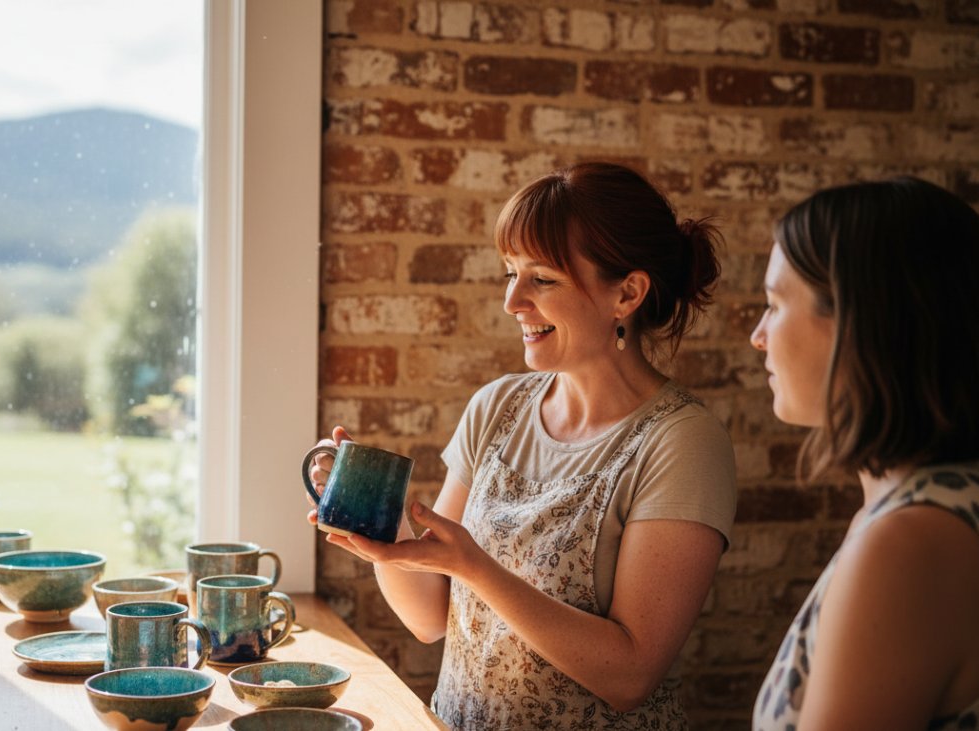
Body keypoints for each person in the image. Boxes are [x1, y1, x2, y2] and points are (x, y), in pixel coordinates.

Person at [307, 162, 738, 730]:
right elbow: (430, 616)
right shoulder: (497, 407)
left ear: (627, 294)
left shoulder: (681, 442)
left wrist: (478, 568)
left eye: (543, 278)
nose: (512, 300)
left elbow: (632, 674)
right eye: (510, 272)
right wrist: (380, 531)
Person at [750, 177, 979, 730]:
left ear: (860, 326)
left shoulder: (909, 546)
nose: (759, 335)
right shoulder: (951, 495)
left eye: (774, 304)